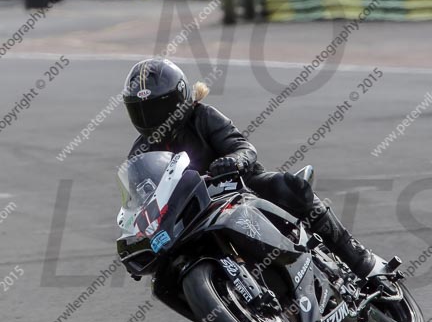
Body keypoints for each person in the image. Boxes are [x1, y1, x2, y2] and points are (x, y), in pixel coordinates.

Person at [123, 58, 388, 280]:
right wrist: (139, 240)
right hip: (192, 213)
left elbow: (243, 147)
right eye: (142, 112)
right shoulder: (142, 151)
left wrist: (235, 161)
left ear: (179, 99)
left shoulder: (203, 117)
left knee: (289, 185)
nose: (151, 119)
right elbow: (140, 201)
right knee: (167, 274)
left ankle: (358, 259)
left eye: (158, 108)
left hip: (241, 188)